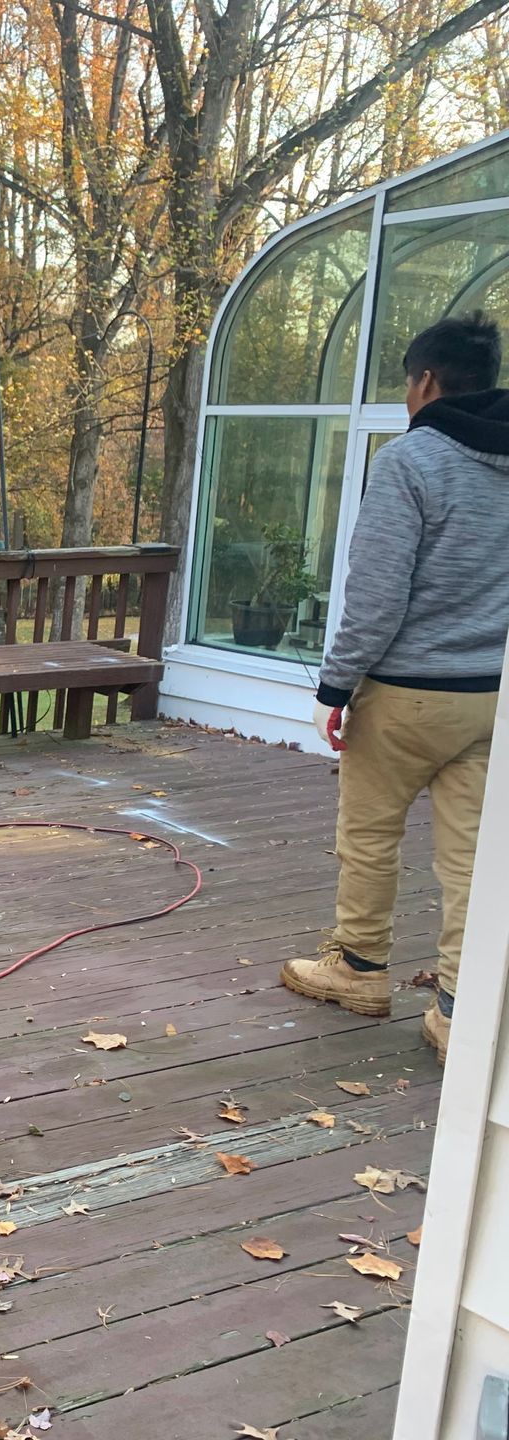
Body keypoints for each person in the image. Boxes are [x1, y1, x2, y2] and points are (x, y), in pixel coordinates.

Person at [281, 313, 509, 1063]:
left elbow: (376, 595)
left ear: (426, 383)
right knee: (473, 858)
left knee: (371, 834)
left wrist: (335, 687)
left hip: (407, 692)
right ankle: (458, 1010)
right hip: (492, 696)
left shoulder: (414, 462)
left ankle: (359, 969)